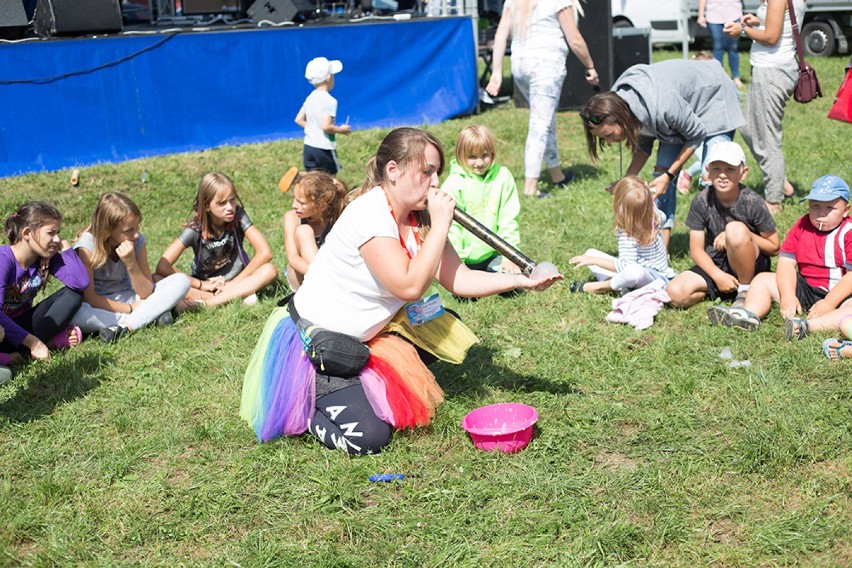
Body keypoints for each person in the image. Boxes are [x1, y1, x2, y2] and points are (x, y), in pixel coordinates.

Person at [240, 127, 560, 455]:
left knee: (441, 323)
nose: (436, 183)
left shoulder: (417, 217)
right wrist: (439, 226)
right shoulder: (370, 214)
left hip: (362, 338)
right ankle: (309, 407)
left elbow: (458, 279)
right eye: (427, 172)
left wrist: (520, 281)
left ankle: (358, 385)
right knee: (369, 439)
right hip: (319, 346)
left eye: (437, 173)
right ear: (393, 171)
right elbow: (409, 286)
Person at [580, 58, 745, 248]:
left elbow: (696, 135)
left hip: (714, 94)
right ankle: (661, 251)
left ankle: (725, 243)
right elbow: (644, 140)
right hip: (681, 110)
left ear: (621, 118)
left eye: (609, 135)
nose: (609, 142)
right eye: (603, 139)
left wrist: (670, 175)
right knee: (659, 180)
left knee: (712, 176)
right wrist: (628, 178)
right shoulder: (624, 103)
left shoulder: (662, 106)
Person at [707, 175, 852, 336]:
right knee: (762, 280)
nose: (821, 214)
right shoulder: (803, 225)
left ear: (846, 210)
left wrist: (829, 302)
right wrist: (788, 295)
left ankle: (806, 326)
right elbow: (786, 262)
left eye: (829, 208)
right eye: (815, 206)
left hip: (840, 292)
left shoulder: (848, 232)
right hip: (805, 286)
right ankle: (748, 315)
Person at [485, 0, 599, 197]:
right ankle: (531, 188)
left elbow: (501, 34)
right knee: (540, 125)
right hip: (546, 64)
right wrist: (590, 67)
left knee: (545, 120)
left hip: (520, 65)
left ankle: (556, 174)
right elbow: (575, 39)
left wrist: (496, 72)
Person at [667, 141, 779, 309]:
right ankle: (724, 288)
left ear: (744, 173)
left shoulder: (753, 201)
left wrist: (739, 233)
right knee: (674, 293)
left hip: (749, 264)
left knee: (735, 229)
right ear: (707, 172)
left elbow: (774, 247)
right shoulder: (701, 200)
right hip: (717, 263)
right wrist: (718, 276)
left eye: (730, 169)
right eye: (716, 169)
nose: (722, 175)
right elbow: (696, 250)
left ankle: (745, 289)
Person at [71, 193, 191, 343]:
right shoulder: (87, 246)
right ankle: (151, 315)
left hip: (131, 297)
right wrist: (130, 309)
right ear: (107, 230)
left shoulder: (137, 240)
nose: (135, 234)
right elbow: (91, 298)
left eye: (137, 226)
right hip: (101, 306)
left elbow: (146, 291)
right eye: (128, 230)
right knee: (78, 314)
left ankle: (125, 327)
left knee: (181, 281)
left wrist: (131, 263)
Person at [724, 0, 803, 215]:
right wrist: (756, 21)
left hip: (772, 72)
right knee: (748, 127)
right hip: (768, 70)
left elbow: (771, 37)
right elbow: (778, 24)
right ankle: (780, 181)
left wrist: (743, 29)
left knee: (768, 138)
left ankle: (774, 200)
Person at [156, 172, 278, 308]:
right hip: (206, 286)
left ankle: (209, 303)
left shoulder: (239, 216)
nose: (230, 207)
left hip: (239, 281)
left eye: (232, 200)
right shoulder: (195, 229)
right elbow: (163, 266)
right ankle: (236, 296)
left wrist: (233, 283)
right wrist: (202, 285)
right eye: (222, 203)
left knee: (270, 270)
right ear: (207, 206)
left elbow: (265, 253)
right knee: (155, 279)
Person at [0, 202, 88, 361]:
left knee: (74, 295)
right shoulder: (3, 260)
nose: (56, 238)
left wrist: (65, 247)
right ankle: (27, 351)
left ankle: (19, 354)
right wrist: (34, 344)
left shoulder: (44, 256)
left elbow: (81, 283)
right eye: (51, 233)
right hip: (1, 331)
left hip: (21, 326)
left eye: (58, 233)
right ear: (27, 233)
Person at [568, 176, 676, 294]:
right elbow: (659, 214)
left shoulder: (627, 234)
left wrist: (595, 261)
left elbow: (627, 266)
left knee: (633, 272)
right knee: (590, 253)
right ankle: (625, 287)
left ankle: (600, 286)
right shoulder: (653, 214)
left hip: (658, 280)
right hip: (645, 273)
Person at [441, 124, 522, 274]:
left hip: (495, 255)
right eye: (472, 157)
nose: (479, 163)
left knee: (514, 283)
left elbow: (508, 219)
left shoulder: (503, 177)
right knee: (465, 295)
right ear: (460, 155)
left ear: (492, 153)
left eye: (485, 155)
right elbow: (452, 229)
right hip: (462, 260)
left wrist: (510, 257)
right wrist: (459, 264)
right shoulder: (452, 185)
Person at [284, 170, 348, 290]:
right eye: (294, 199)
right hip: (302, 277)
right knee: (304, 231)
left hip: (332, 274)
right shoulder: (292, 217)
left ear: (322, 206)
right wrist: (322, 276)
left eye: (301, 203)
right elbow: (293, 258)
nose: (294, 205)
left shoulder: (338, 217)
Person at [295, 56, 351, 175]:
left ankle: (298, 176)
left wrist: (312, 128)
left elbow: (298, 119)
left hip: (308, 146)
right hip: (324, 148)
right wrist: (342, 129)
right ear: (329, 78)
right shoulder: (330, 101)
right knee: (331, 179)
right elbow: (326, 126)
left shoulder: (310, 98)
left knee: (314, 179)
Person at [698, 0, 744, 88]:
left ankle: (736, 77)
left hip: (734, 15)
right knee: (718, 47)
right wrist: (701, 15)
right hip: (714, 17)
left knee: (733, 48)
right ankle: (719, 77)